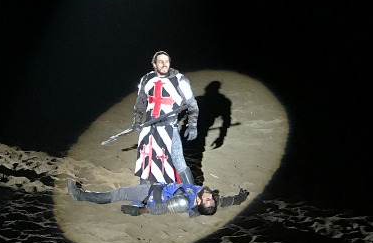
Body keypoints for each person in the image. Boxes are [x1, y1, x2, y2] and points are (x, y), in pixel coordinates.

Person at [132, 51, 199, 185]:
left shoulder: (180, 80)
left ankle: (192, 195)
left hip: (169, 127)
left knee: (178, 161)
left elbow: (192, 105)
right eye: (161, 62)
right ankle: (143, 196)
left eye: (167, 61)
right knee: (146, 162)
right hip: (149, 127)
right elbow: (140, 103)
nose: (164, 65)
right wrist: (137, 121)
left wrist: (192, 125)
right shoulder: (146, 79)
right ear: (154, 64)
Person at [67, 179, 249, 217]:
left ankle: (80, 196)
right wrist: (241, 197)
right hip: (160, 183)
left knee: (118, 194)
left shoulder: (183, 201)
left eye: (208, 199)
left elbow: (161, 209)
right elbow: (226, 201)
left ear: (199, 202)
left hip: (150, 193)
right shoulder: (208, 199)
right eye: (212, 199)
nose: (211, 197)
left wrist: (139, 210)